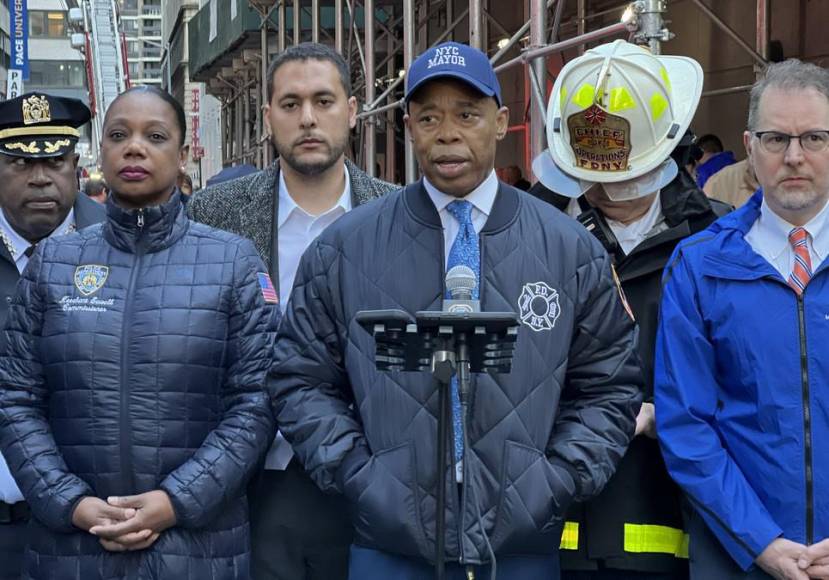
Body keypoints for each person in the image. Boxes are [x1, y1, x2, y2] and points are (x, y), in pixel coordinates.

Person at [269, 40, 642, 580]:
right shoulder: (346, 247)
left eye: (467, 114)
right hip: (388, 545)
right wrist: (362, 478)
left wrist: (554, 482)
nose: (447, 133)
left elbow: (609, 385)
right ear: (408, 127)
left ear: (501, 121)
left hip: (521, 548)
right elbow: (299, 379)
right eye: (429, 117)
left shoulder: (569, 248)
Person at [0, 85, 277, 580]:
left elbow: (256, 399)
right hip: (71, 548)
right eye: (118, 135)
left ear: (184, 153)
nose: (134, 147)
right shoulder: (55, 263)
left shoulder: (234, 261)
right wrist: (70, 502)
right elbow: (16, 395)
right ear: (99, 150)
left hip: (197, 546)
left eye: (155, 135)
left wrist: (178, 500)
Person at [188, 42, 396, 580]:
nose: (307, 118)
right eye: (290, 103)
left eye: (324, 101)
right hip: (249, 484)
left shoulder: (400, 214)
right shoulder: (214, 215)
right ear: (268, 117)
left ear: (352, 111)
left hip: (370, 480)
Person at [529, 39, 729, 580]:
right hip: (545, 525)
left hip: (672, 517)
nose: (608, 192)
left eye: (625, 179)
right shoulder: (525, 233)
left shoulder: (720, 238)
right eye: (595, 180)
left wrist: (671, 414)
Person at [655, 59, 829, 580]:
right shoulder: (700, 266)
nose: (794, 157)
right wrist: (761, 542)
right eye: (777, 139)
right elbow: (686, 423)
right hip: (738, 559)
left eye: (815, 138)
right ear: (750, 147)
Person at [0, 91, 106, 580]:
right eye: (20, 162)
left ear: (76, 165)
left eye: (55, 161)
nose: (40, 178)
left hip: (97, 526)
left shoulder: (125, 241)